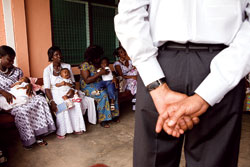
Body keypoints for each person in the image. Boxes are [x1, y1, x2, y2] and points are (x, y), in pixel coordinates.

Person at [115, 1, 250, 167]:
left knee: (153, 160)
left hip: (159, 65)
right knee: (214, 159)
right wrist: (214, 89)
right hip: (226, 62)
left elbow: (129, 14)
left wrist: (155, 84)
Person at [0, 45, 56, 149]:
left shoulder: (17, 71)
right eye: (9, 60)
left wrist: (29, 84)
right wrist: (2, 91)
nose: (12, 62)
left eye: (13, 60)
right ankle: (29, 139)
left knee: (41, 99)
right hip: (9, 100)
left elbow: (24, 81)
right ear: (0, 57)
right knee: (22, 111)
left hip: (22, 95)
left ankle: (39, 134)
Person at [43, 46, 87, 139]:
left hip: (68, 89)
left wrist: (72, 90)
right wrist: (51, 101)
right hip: (55, 92)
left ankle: (77, 127)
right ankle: (62, 130)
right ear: (51, 57)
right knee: (62, 104)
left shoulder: (67, 66)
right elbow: (47, 89)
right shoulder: (47, 70)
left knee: (75, 102)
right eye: (56, 55)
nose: (59, 56)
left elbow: (73, 82)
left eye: (60, 54)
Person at [80, 45, 120, 128]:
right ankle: (103, 119)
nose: (99, 59)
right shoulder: (85, 65)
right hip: (88, 87)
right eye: (97, 57)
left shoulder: (99, 64)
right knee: (103, 94)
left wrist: (114, 78)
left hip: (100, 84)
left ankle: (114, 115)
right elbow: (87, 80)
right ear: (92, 57)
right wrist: (99, 73)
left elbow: (109, 73)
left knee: (113, 90)